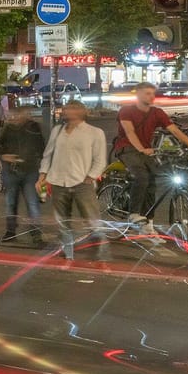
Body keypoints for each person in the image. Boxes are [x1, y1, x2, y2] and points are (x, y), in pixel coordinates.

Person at [38, 99, 108, 260]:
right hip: (58, 181)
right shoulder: (58, 131)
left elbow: (100, 159)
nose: (70, 111)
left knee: (92, 220)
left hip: (81, 182)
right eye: (68, 108)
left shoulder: (94, 132)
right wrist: (42, 175)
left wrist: (90, 176)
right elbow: (48, 155)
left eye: (75, 108)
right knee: (63, 221)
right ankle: (68, 253)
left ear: (83, 112)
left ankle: (100, 253)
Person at [115, 81, 188, 219]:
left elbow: (175, 131)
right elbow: (130, 132)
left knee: (152, 181)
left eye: (153, 94)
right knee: (141, 176)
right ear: (138, 94)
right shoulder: (126, 111)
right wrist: (141, 149)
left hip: (145, 149)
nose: (152, 97)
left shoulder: (157, 113)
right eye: (147, 93)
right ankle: (133, 213)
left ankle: (148, 221)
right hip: (127, 147)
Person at [0, 101, 47, 245]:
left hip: (30, 170)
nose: (21, 117)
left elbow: (41, 147)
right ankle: (10, 231)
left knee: (32, 203)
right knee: (10, 202)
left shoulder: (33, 128)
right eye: (20, 114)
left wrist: (39, 165)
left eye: (25, 114)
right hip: (11, 170)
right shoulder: (8, 129)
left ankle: (35, 233)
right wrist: (4, 156)